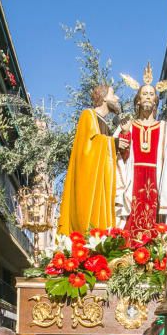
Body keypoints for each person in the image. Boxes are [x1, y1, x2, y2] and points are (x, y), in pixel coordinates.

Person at [116, 64, 167, 241]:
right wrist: (125, 134)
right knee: (129, 229)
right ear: (138, 100)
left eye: (151, 94)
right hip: (132, 181)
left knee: (158, 228)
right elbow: (118, 157)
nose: (148, 97)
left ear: (156, 100)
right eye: (144, 94)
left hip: (158, 181)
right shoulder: (128, 125)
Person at [58, 83, 122, 235]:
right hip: (89, 185)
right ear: (104, 97)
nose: (117, 98)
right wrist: (114, 143)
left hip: (102, 184)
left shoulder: (104, 122)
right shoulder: (88, 115)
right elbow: (88, 147)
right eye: (113, 94)